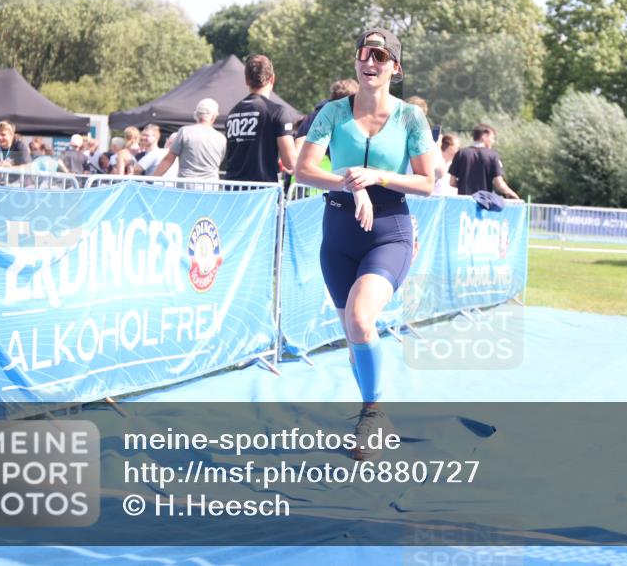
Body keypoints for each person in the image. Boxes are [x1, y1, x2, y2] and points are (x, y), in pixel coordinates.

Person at [294, 27, 435, 460]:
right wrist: (350, 181)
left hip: (389, 230)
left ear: (396, 67)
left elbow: (428, 182)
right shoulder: (333, 112)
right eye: (363, 54)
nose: (369, 62)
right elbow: (303, 170)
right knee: (356, 338)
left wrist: (378, 177)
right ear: (356, 62)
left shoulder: (411, 118)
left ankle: (372, 415)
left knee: (359, 318)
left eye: (380, 56)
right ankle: (377, 413)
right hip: (339, 232)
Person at [223, 54, 298, 183]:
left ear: (246, 80)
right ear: (272, 79)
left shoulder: (232, 113)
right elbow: (290, 162)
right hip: (261, 194)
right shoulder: (278, 112)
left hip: (233, 191)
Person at [153, 99, 227, 181]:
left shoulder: (185, 132)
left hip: (187, 187)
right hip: (211, 187)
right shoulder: (221, 138)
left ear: (196, 114)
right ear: (214, 116)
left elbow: (168, 160)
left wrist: (151, 180)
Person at [448, 124, 518, 199]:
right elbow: (499, 184)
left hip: (464, 202)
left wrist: (464, 185)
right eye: (492, 138)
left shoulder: (460, 153)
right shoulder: (492, 155)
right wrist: (513, 194)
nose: (493, 141)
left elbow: (452, 182)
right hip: (483, 203)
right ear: (484, 136)